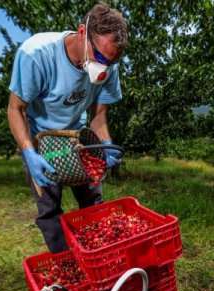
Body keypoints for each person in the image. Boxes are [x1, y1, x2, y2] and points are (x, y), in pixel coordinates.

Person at [8, 2, 128, 253]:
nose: (103, 67)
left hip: (79, 140)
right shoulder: (36, 54)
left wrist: (104, 144)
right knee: (50, 210)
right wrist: (29, 153)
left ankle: (99, 257)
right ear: (82, 32)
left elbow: (99, 117)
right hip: (43, 143)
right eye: (99, 57)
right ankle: (67, 266)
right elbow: (16, 110)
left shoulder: (109, 65)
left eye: (111, 61)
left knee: (94, 203)